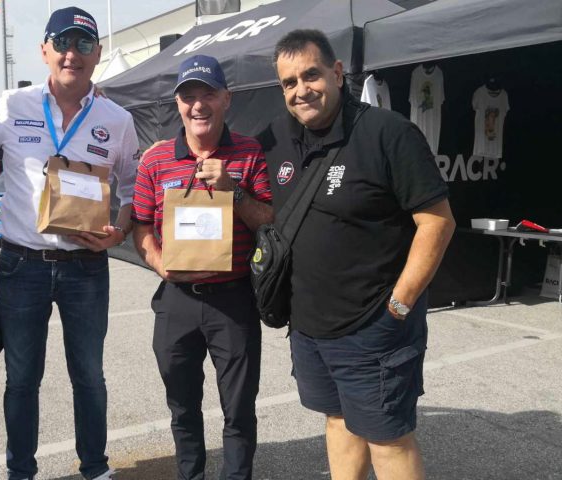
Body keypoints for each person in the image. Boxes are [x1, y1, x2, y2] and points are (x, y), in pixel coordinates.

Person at [258, 29, 455, 480]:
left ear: (337, 72)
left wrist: (400, 303)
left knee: (388, 439)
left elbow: (437, 222)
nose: (301, 90)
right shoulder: (278, 137)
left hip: (373, 326)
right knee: (337, 420)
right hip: (308, 327)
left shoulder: (388, 133)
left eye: (311, 75)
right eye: (289, 82)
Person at [0, 7, 139, 480]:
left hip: (85, 267)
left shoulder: (117, 119)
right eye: (63, 43)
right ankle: (21, 471)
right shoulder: (11, 106)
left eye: (84, 44)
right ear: (44, 50)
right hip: (21, 265)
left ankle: (95, 467)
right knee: (22, 378)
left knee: (88, 375)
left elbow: (134, 187)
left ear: (98, 53)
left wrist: (120, 231)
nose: (73, 54)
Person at [132, 54, 273, 480]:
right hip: (177, 299)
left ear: (225, 99)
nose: (198, 105)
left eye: (207, 94)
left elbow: (269, 221)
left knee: (239, 408)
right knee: (182, 407)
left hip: (233, 299)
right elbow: (140, 226)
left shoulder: (249, 153)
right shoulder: (156, 160)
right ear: (177, 104)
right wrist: (160, 264)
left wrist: (233, 190)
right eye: (188, 96)